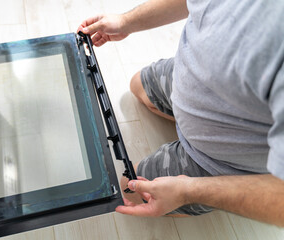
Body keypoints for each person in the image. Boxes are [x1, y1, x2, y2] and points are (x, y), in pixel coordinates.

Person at [77, 0, 284, 226]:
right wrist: (125, 22)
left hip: (225, 163)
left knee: (129, 187)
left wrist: (189, 191)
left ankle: (217, 189)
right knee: (137, 85)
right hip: (200, 77)